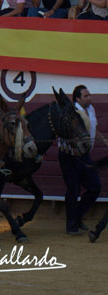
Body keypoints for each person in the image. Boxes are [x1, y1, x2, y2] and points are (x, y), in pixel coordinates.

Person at [58, 85, 101, 235]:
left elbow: (92, 127)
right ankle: (71, 226)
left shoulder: (91, 109)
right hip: (69, 154)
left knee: (95, 186)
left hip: (84, 154)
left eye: (90, 95)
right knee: (73, 189)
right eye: (86, 96)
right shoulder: (69, 111)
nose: (89, 98)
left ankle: (77, 217)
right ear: (77, 98)